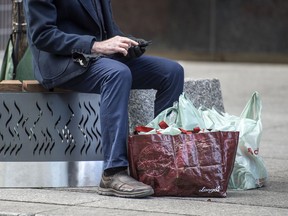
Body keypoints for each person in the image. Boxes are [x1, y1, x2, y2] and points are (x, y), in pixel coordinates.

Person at [23, 0, 184, 198]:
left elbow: (107, 28)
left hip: (96, 56)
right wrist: (96, 46)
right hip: (62, 61)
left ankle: (159, 165)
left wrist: (126, 42)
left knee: (172, 72)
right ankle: (113, 172)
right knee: (117, 73)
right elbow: (43, 35)